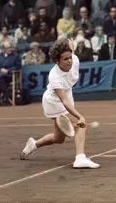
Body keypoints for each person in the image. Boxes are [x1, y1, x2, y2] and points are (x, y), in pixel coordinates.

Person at [20, 38, 100, 169]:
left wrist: (70, 47)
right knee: (81, 125)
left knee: (59, 139)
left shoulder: (74, 60)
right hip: (53, 102)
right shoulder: (54, 76)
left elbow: (71, 52)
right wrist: (79, 116)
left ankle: (33, 144)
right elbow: (64, 101)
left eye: (70, 58)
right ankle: (80, 158)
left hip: (67, 94)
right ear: (57, 61)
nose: (69, 61)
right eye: (65, 59)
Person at [0, 41, 22, 107]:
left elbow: (18, 66)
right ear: (4, 49)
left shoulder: (16, 56)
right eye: (7, 48)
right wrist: (1, 70)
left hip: (11, 76)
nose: (9, 49)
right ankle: (6, 95)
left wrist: (8, 71)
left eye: (10, 47)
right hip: (1, 76)